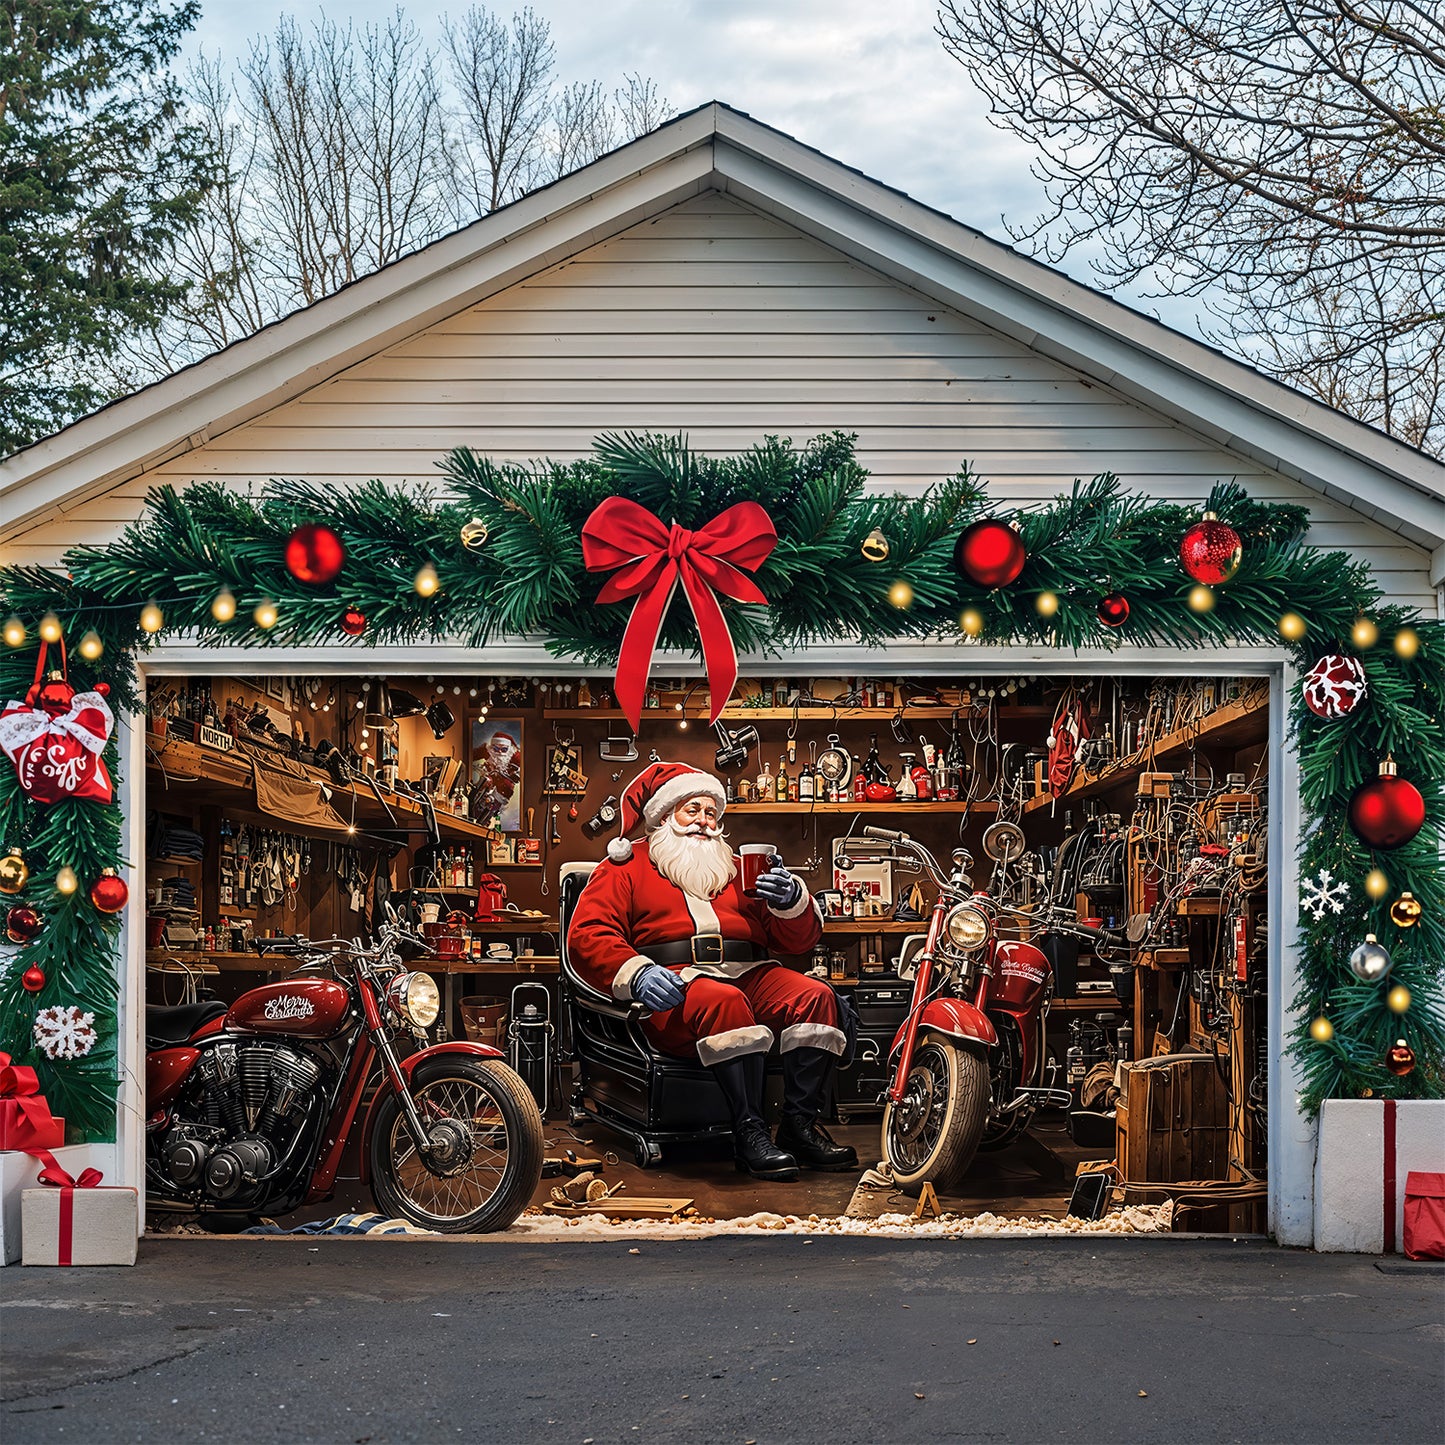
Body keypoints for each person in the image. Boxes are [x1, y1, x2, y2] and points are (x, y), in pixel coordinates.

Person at [566, 760, 858, 1181]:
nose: (704, 821)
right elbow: (588, 935)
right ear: (664, 816)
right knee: (725, 1001)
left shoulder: (741, 870)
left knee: (816, 996)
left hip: (750, 970)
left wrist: (791, 902)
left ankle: (800, 1127)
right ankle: (750, 1132)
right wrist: (637, 973)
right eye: (692, 810)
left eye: (711, 813)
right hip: (674, 986)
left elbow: (797, 943)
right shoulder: (625, 866)